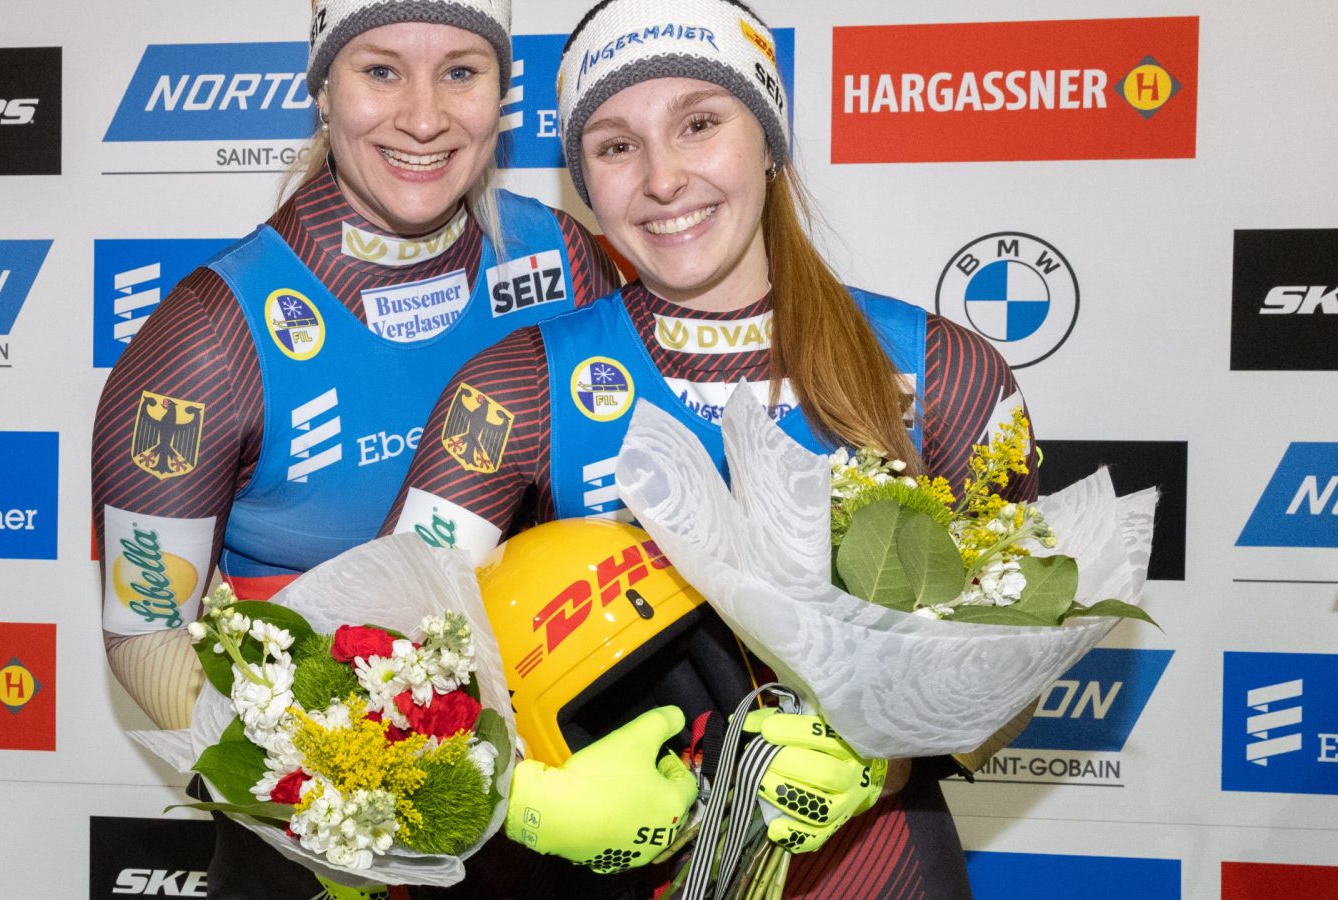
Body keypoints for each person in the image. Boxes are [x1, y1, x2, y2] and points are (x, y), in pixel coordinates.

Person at [384, 0, 1040, 896]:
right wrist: (517, 795)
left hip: (874, 869)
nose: (662, 179)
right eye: (616, 146)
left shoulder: (944, 370)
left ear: (769, 140)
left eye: (699, 124)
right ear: (584, 180)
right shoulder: (514, 388)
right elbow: (383, 669)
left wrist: (882, 760)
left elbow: (1019, 677)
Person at [92, 2, 619, 896]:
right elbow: (144, 634)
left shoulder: (561, 258)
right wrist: (354, 794)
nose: (423, 116)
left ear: (501, 93)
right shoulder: (209, 335)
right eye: (381, 70)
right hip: (319, 853)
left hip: (558, 827)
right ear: (323, 89)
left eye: (461, 71)